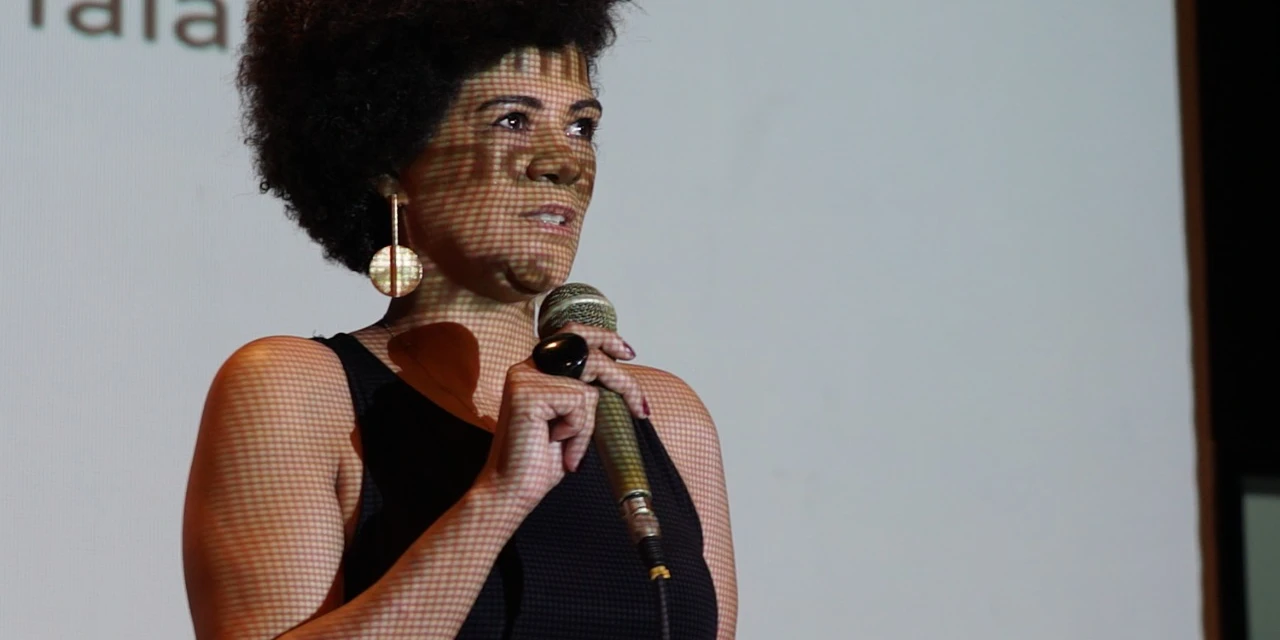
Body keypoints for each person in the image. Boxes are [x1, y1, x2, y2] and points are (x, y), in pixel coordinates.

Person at [181, 1, 738, 638]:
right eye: (512, 120)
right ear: (392, 165)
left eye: (581, 126)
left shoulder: (667, 417)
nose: (565, 162)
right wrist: (500, 496)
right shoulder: (298, 391)